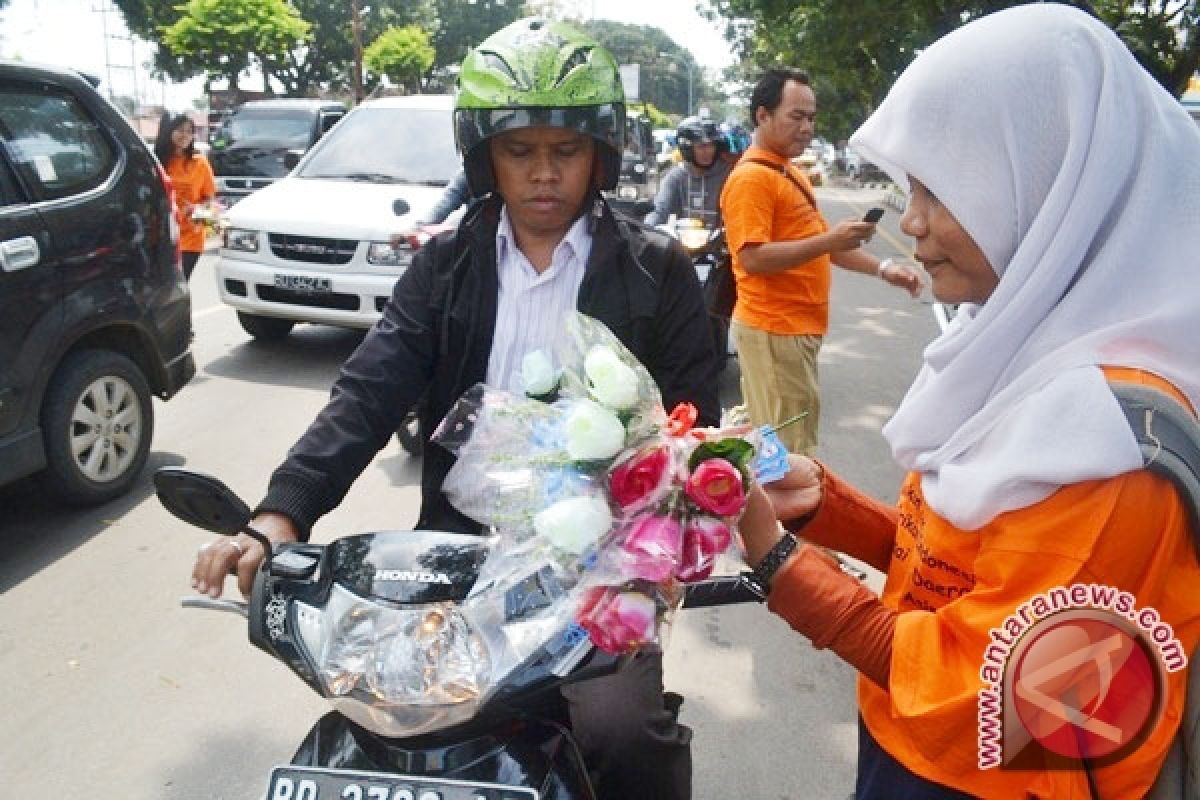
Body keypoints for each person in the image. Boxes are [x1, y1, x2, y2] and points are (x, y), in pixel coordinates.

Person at [190, 17, 718, 800]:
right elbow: (369, 391)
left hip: (597, 573)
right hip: (454, 562)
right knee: (382, 722)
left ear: (600, 154)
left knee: (622, 733)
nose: (544, 174)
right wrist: (280, 516)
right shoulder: (447, 263)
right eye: (519, 151)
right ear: (484, 158)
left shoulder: (657, 269)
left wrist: (660, 555)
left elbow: (690, 426)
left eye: (565, 151)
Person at [738, 6, 1200, 798]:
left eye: (942, 190)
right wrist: (827, 506)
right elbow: (955, 572)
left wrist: (777, 561)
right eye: (910, 187)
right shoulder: (1026, 363)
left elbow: (991, 699)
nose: (909, 221)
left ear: (1052, 190)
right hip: (912, 742)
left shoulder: (1110, 449)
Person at [719, 69, 923, 456]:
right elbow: (751, 258)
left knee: (776, 439)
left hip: (795, 331)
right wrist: (830, 239)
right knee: (788, 452)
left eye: (811, 118)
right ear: (762, 115)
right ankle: (784, 517)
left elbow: (821, 247)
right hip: (774, 328)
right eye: (796, 116)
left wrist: (882, 269)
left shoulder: (788, 171)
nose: (806, 127)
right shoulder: (753, 180)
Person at [154, 113, 215, 281]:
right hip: (163, 235)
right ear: (168, 131)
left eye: (189, 131)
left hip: (190, 238)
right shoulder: (157, 162)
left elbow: (210, 200)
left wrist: (198, 213)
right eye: (180, 130)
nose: (185, 135)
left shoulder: (200, 163)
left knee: (179, 283)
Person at [644, 116, 732, 227]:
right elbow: (660, 210)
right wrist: (648, 227)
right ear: (687, 149)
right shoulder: (676, 176)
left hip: (723, 241)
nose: (707, 151)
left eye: (711, 145)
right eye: (701, 146)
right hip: (685, 240)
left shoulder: (728, 175)